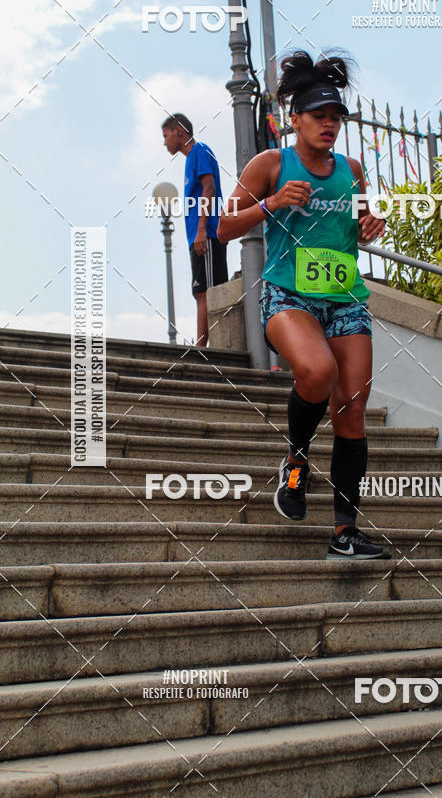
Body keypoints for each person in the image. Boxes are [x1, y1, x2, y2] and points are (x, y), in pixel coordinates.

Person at [218, 50, 391, 559]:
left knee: (352, 409)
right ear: (294, 120)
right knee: (315, 371)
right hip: (288, 295)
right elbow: (224, 227)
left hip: (344, 298)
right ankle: (295, 460)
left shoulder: (352, 170)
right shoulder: (271, 164)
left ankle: (344, 532)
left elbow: (358, 226)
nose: (329, 125)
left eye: (336, 117)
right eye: (319, 116)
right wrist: (271, 202)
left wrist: (369, 224)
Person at [162, 113, 228, 346]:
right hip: (198, 236)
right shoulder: (190, 160)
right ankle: (203, 345)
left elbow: (208, 189)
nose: (164, 142)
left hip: (207, 234)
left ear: (179, 131)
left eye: (166, 135)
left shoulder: (200, 150)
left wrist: (201, 229)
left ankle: (205, 348)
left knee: (209, 292)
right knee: (201, 292)